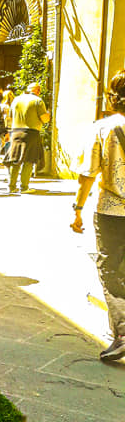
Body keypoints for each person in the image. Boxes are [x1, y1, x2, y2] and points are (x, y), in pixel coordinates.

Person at [71, 70, 125, 362]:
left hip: (113, 211)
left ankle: (122, 332)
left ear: (113, 97)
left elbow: (88, 174)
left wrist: (77, 209)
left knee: (110, 269)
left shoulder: (103, 128)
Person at [5, 83, 50, 193]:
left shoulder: (16, 100)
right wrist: (48, 115)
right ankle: (24, 187)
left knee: (15, 160)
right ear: (38, 90)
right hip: (31, 132)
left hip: (15, 132)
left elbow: (9, 117)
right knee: (29, 160)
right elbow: (44, 119)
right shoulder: (38, 101)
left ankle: (11, 186)